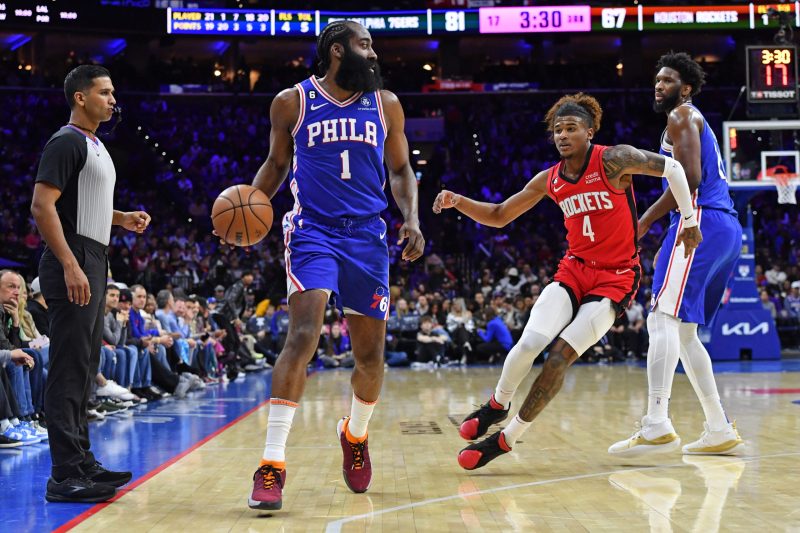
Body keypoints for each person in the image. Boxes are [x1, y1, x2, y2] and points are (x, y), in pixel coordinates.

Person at [432, 92, 702, 470]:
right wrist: (458, 201)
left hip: (616, 278)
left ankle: (508, 438)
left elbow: (673, 168)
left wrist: (689, 221)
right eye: (558, 130)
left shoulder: (614, 159)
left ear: (589, 132)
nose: (562, 135)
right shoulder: (551, 179)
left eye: (571, 128)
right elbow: (498, 214)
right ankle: (497, 403)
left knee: (559, 357)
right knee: (530, 342)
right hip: (574, 269)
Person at [244, 20, 424, 510]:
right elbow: (276, 164)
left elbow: (401, 169)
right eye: (366, 45)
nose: (374, 53)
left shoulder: (385, 104)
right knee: (303, 335)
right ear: (339, 50)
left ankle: (355, 434)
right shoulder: (292, 101)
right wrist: (250, 209)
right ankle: (271, 464)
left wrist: (411, 218)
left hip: (367, 236)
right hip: (313, 231)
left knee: (370, 359)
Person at [609, 53, 744, 457]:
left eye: (667, 80)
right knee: (684, 332)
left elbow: (690, 178)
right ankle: (718, 427)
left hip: (699, 223)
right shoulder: (690, 118)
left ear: (685, 88)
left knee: (660, 318)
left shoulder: (681, 115)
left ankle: (656, 423)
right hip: (723, 228)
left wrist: (644, 221)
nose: (659, 85)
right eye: (657, 80)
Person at [30, 65, 151, 503]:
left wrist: (121, 218)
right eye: (104, 92)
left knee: (85, 365)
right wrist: (69, 263)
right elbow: (42, 206)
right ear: (80, 97)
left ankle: (82, 460)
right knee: (68, 367)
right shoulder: (66, 141)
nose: (113, 100)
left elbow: (83, 205)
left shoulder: (95, 144)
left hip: (94, 253)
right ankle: (64, 475)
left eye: (113, 92)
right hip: (74, 255)